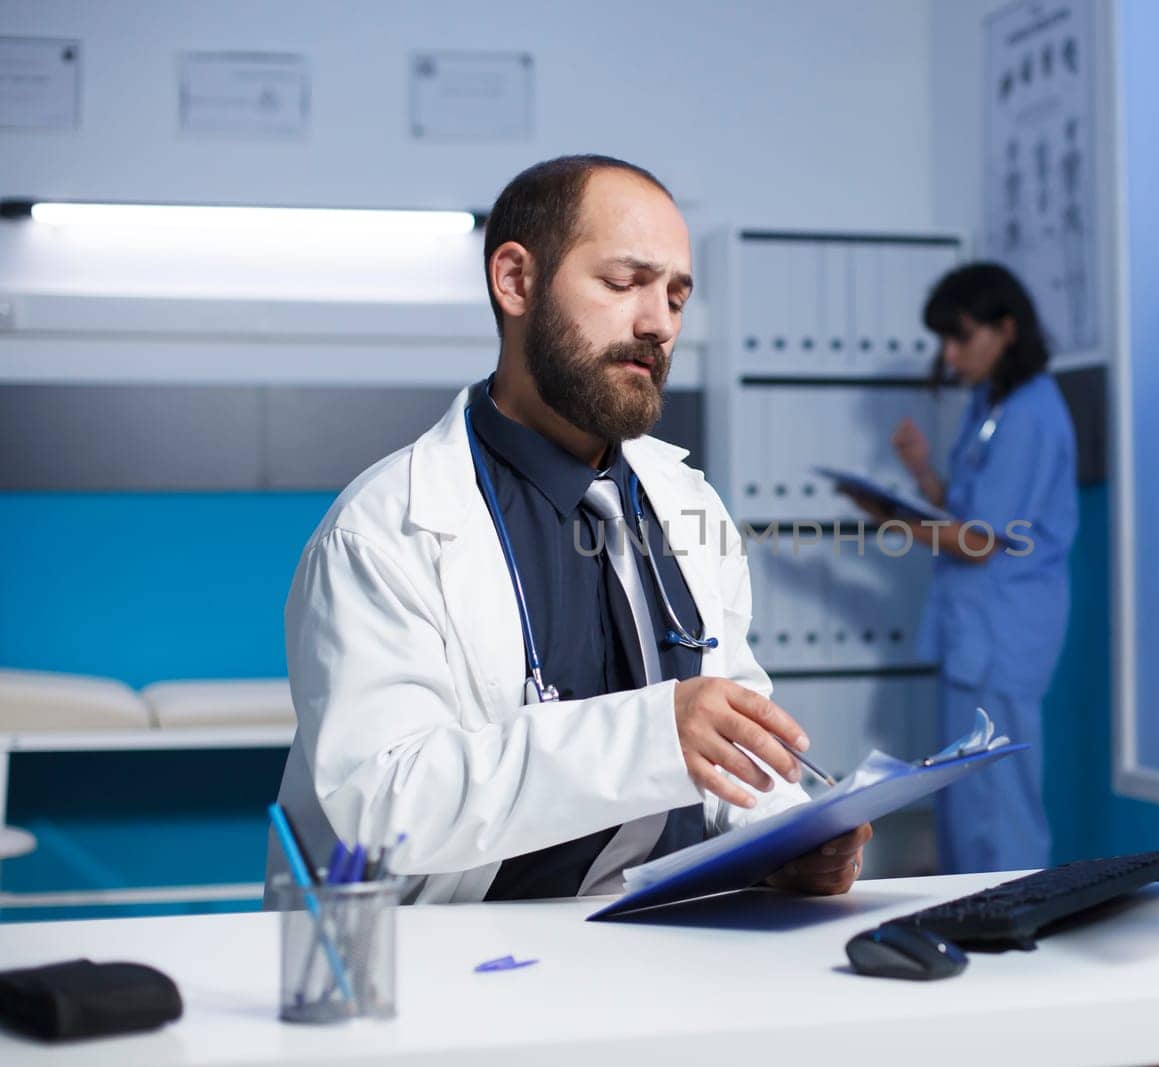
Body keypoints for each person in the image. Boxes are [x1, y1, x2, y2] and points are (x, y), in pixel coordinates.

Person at [268, 155, 869, 903]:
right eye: (624, 284)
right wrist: (652, 735)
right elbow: (386, 804)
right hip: (463, 967)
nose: (658, 324)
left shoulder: (686, 506)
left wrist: (782, 834)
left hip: (669, 941)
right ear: (515, 280)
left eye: (677, 297)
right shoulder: (386, 530)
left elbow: (731, 739)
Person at [847, 262, 1076, 875]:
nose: (949, 355)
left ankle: (1014, 924)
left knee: (999, 802)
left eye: (960, 337)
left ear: (1006, 329)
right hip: (976, 630)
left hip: (1004, 631)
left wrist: (890, 522)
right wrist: (920, 474)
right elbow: (971, 509)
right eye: (943, 341)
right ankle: (973, 920)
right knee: (965, 798)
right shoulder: (990, 403)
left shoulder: (1030, 414)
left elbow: (978, 543)